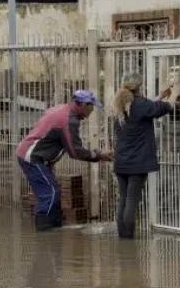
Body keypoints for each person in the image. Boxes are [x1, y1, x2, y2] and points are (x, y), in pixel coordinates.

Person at [16, 90, 112, 232]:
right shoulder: (69, 119)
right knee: (50, 193)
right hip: (32, 157)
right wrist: (99, 156)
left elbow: (56, 140)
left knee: (53, 192)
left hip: (34, 156)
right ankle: (45, 234)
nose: (92, 111)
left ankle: (55, 229)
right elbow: (75, 151)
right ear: (82, 105)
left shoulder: (63, 111)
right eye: (91, 107)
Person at [112, 73, 176, 239]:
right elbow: (167, 107)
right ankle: (128, 240)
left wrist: (160, 96)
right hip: (137, 163)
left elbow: (144, 109)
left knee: (124, 199)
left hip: (121, 161)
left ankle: (123, 238)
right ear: (140, 87)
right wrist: (177, 91)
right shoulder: (141, 104)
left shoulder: (121, 105)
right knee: (132, 200)